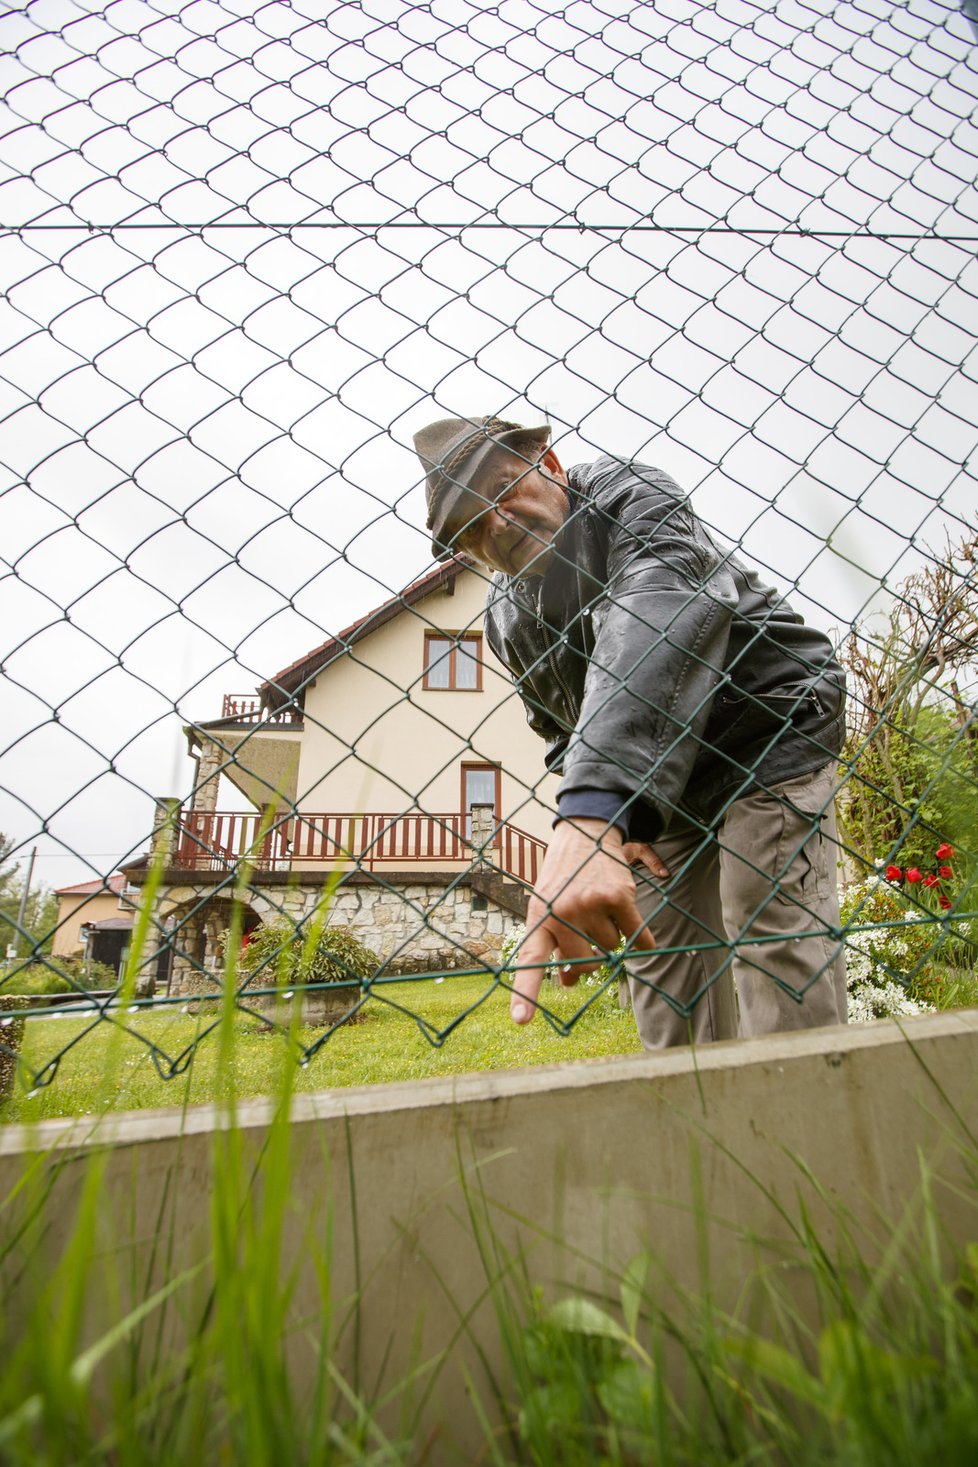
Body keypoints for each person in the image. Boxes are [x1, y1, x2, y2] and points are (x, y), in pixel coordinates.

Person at [413, 414, 849, 1047]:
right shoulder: (507, 620)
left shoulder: (632, 499)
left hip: (765, 727)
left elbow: (660, 611)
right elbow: (561, 729)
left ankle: (802, 1128)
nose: (498, 525)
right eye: (471, 526)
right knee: (662, 965)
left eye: (504, 491)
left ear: (551, 466)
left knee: (769, 926)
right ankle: (697, 1129)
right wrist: (623, 823)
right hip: (657, 782)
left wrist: (593, 815)